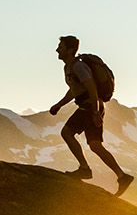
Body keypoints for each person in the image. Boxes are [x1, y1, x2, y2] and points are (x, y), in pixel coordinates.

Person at [48, 35, 132, 194]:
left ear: (70, 49)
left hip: (89, 107)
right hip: (93, 106)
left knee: (66, 132)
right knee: (95, 145)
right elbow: (75, 90)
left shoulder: (78, 67)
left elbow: (91, 87)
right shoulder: (70, 67)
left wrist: (94, 112)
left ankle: (84, 168)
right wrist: (59, 105)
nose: (57, 49)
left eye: (61, 46)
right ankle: (122, 176)